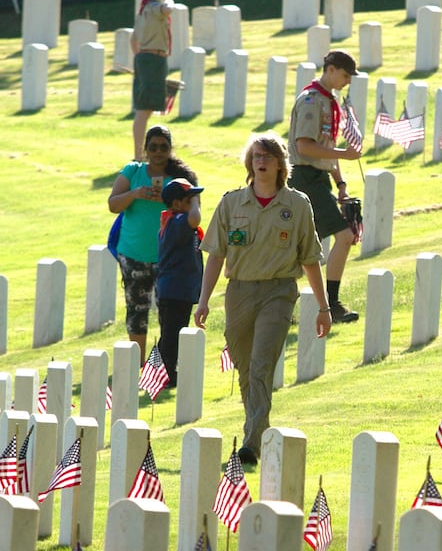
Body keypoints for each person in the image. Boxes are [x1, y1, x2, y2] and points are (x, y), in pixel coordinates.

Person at [195, 133, 330, 467]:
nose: (262, 161)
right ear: (249, 162)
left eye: (268, 156)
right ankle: (258, 424)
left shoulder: (297, 205)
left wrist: (324, 307)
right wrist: (203, 300)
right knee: (244, 368)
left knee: (261, 364)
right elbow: (215, 255)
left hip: (278, 292)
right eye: (256, 156)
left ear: (280, 164)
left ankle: (252, 443)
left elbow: (309, 257)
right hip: (239, 292)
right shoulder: (231, 204)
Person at [108, 124, 199, 354]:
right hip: (133, 253)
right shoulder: (133, 171)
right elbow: (113, 204)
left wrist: (168, 202)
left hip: (168, 258)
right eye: (153, 147)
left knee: (169, 313)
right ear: (145, 149)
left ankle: (164, 363)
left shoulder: (180, 178)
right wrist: (136, 193)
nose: (158, 152)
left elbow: (193, 215)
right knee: (137, 310)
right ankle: (137, 364)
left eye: (163, 147)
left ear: (170, 149)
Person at [287, 50, 361, 323]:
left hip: (318, 179)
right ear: (330, 69)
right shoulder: (310, 100)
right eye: (344, 75)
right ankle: (333, 304)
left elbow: (325, 147)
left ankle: (285, 304)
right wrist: (345, 154)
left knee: (300, 249)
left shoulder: (329, 101)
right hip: (305, 178)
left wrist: (340, 182)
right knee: (344, 237)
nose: (346, 81)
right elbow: (305, 146)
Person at [154, 177, 205, 389]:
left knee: (172, 332)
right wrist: (194, 204)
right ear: (176, 204)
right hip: (174, 290)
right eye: (189, 199)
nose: (195, 202)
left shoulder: (179, 223)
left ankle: (161, 371)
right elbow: (195, 218)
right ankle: (163, 375)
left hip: (179, 290)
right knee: (172, 335)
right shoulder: (175, 222)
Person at [131, 0, 174, 162]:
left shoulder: (143, 8)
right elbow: (166, 9)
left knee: (144, 109)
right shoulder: (155, 6)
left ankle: (141, 154)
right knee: (144, 109)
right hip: (153, 59)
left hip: (146, 58)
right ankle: (139, 156)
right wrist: (171, 1)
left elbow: (133, 40)